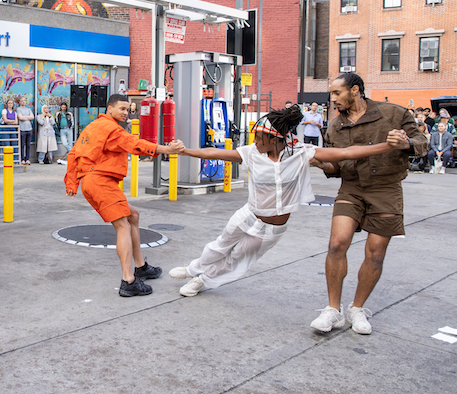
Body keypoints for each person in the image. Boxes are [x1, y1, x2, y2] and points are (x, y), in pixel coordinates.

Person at [168, 106, 396, 298]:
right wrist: (185, 151)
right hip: (247, 215)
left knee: (237, 258)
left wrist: (388, 146)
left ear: (275, 139)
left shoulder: (300, 153)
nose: (255, 141)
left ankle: (201, 281)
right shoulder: (251, 153)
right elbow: (214, 153)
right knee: (219, 246)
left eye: (259, 137)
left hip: (272, 228)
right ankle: (191, 269)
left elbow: (346, 153)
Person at [309, 73, 427, 335]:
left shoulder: (394, 114)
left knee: (375, 253)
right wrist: (319, 163)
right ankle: (332, 310)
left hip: (386, 188)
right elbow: (336, 168)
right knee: (337, 243)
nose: (333, 99)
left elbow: (422, 143)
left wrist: (406, 143)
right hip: (350, 188)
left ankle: (357, 308)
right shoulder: (334, 126)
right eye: (332, 94)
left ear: (355, 91)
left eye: (337, 93)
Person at [64, 94, 185, 297]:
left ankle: (141, 266)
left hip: (92, 181)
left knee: (133, 216)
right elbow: (134, 144)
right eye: (121, 108)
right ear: (109, 109)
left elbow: (73, 153)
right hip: (100, 181)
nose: (124, 112)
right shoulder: (111, 129)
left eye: (127, 110)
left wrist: (72, 183)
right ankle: (128, 280)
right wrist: (167, 149)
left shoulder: (92, 126)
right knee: (123, 226)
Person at [16, 96, 34, 165]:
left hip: (29, 129)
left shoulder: (28, 109)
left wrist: (25, 117)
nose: (24, 102)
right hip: (22, 129)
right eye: (22, 100)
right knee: (22, 145)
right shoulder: (18, 109)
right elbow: (20, 117)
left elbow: (32, 117)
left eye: (24, 100)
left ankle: (27, 159)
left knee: (28, 145)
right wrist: (28, 118)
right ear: (19, 102)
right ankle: (22, 159)